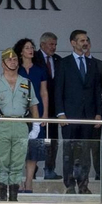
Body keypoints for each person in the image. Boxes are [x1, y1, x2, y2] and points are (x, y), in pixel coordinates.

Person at [0, 47, 40, 202]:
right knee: (1, 161)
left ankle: (13, 196)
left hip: (20, 124)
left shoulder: (26, 83)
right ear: (3, 63)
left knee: (17, 161)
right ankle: (2, 196)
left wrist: (36, 125)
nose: (13, 62)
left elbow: (33, 105)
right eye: (9, 60)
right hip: (2, 123)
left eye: (15, 59)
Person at [51, 29, 102, 193]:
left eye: (86, 40)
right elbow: (58, 89)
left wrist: (98, 113)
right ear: (73, 43)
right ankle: (69, 184)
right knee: (69, 151)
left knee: (85, 151)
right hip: (69, 115)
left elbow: (97, 90)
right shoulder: (63, 63)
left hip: (88, 115)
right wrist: (60, 113)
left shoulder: (92, 63)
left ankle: (83, 185)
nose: (85, 43)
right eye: (81, 40)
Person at [13, 38, 49, 196]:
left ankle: (29, 181)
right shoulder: (15, 68)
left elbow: (44, 92)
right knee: (18, 148)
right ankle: (19, 180)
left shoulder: (40, 69)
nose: (30, 50)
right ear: (21, 51)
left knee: (33, 148)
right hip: (18, 113)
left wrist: (45, 113)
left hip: (37, 111)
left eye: (32, 48)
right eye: (27, 48)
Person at [36, 33, 64, 180]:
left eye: (55, 44)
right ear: (42, 44)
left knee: (53, 139)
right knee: (35, 138)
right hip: (37, 105)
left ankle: (50, 169)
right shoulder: (33, 57)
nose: (53, 47)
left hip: (54, 107)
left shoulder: (58, 60)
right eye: (51, 44)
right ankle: (32, 171)